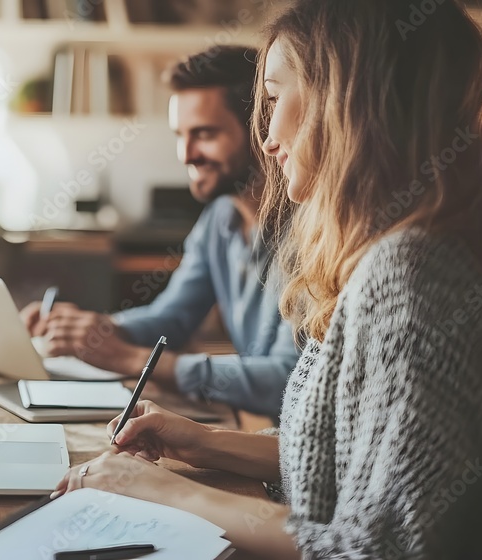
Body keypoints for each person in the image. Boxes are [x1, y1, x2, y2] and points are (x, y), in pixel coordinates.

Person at [50, 1, 482, 558]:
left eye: (272, 99)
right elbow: (350, 460)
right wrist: (205, 441)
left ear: (347, 104)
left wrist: (160, 489)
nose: (267, 138)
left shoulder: (409, 278)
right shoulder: (389, 256)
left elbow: (377, 548)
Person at [21, 45, 300, 419]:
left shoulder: (312, 232)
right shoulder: (219, 220)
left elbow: (288, 383)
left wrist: (135, 359)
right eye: (180, 135)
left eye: (204, 133)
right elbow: (173, 318)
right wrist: (95, 328)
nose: (186, 154)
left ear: (260, 128)